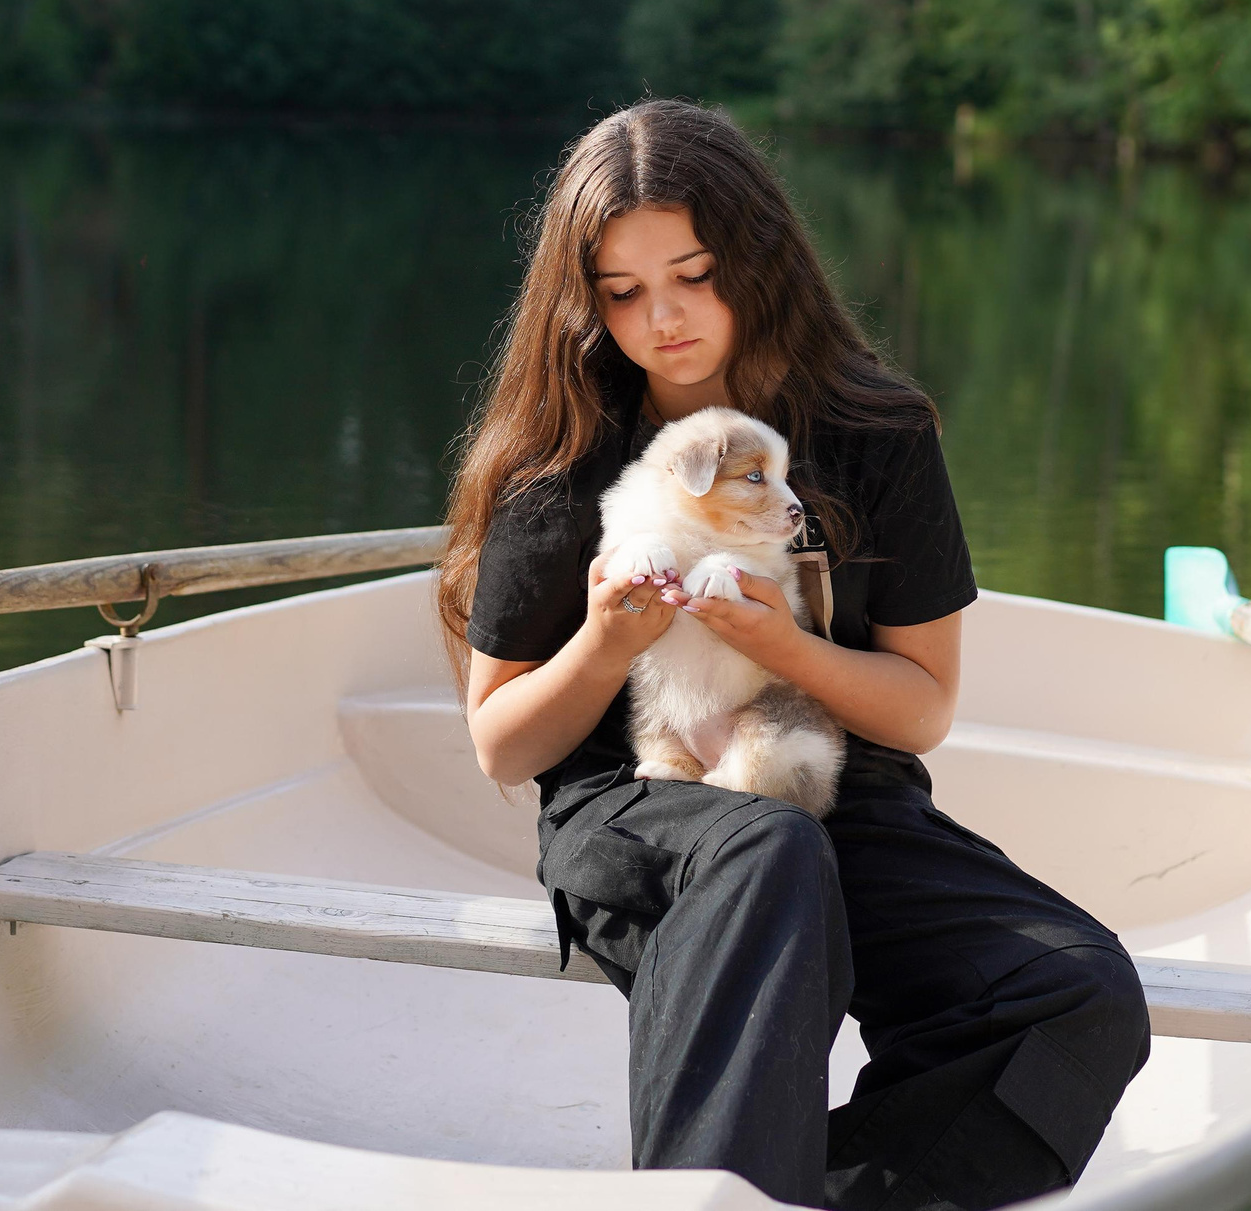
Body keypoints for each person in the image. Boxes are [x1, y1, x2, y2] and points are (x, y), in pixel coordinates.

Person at [435, 101, 1150, 1211]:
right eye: (622, 294)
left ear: (758, 257)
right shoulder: (562, 459)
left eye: (693, 274)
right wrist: (603, 640)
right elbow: (500, 745)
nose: (661, 319)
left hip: (834, 783)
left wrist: (782, 645)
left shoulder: (877, 434)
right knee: (763, 853)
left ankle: (793, 1194)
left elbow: (916, 714)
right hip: (638, 804)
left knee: (1074, 993)